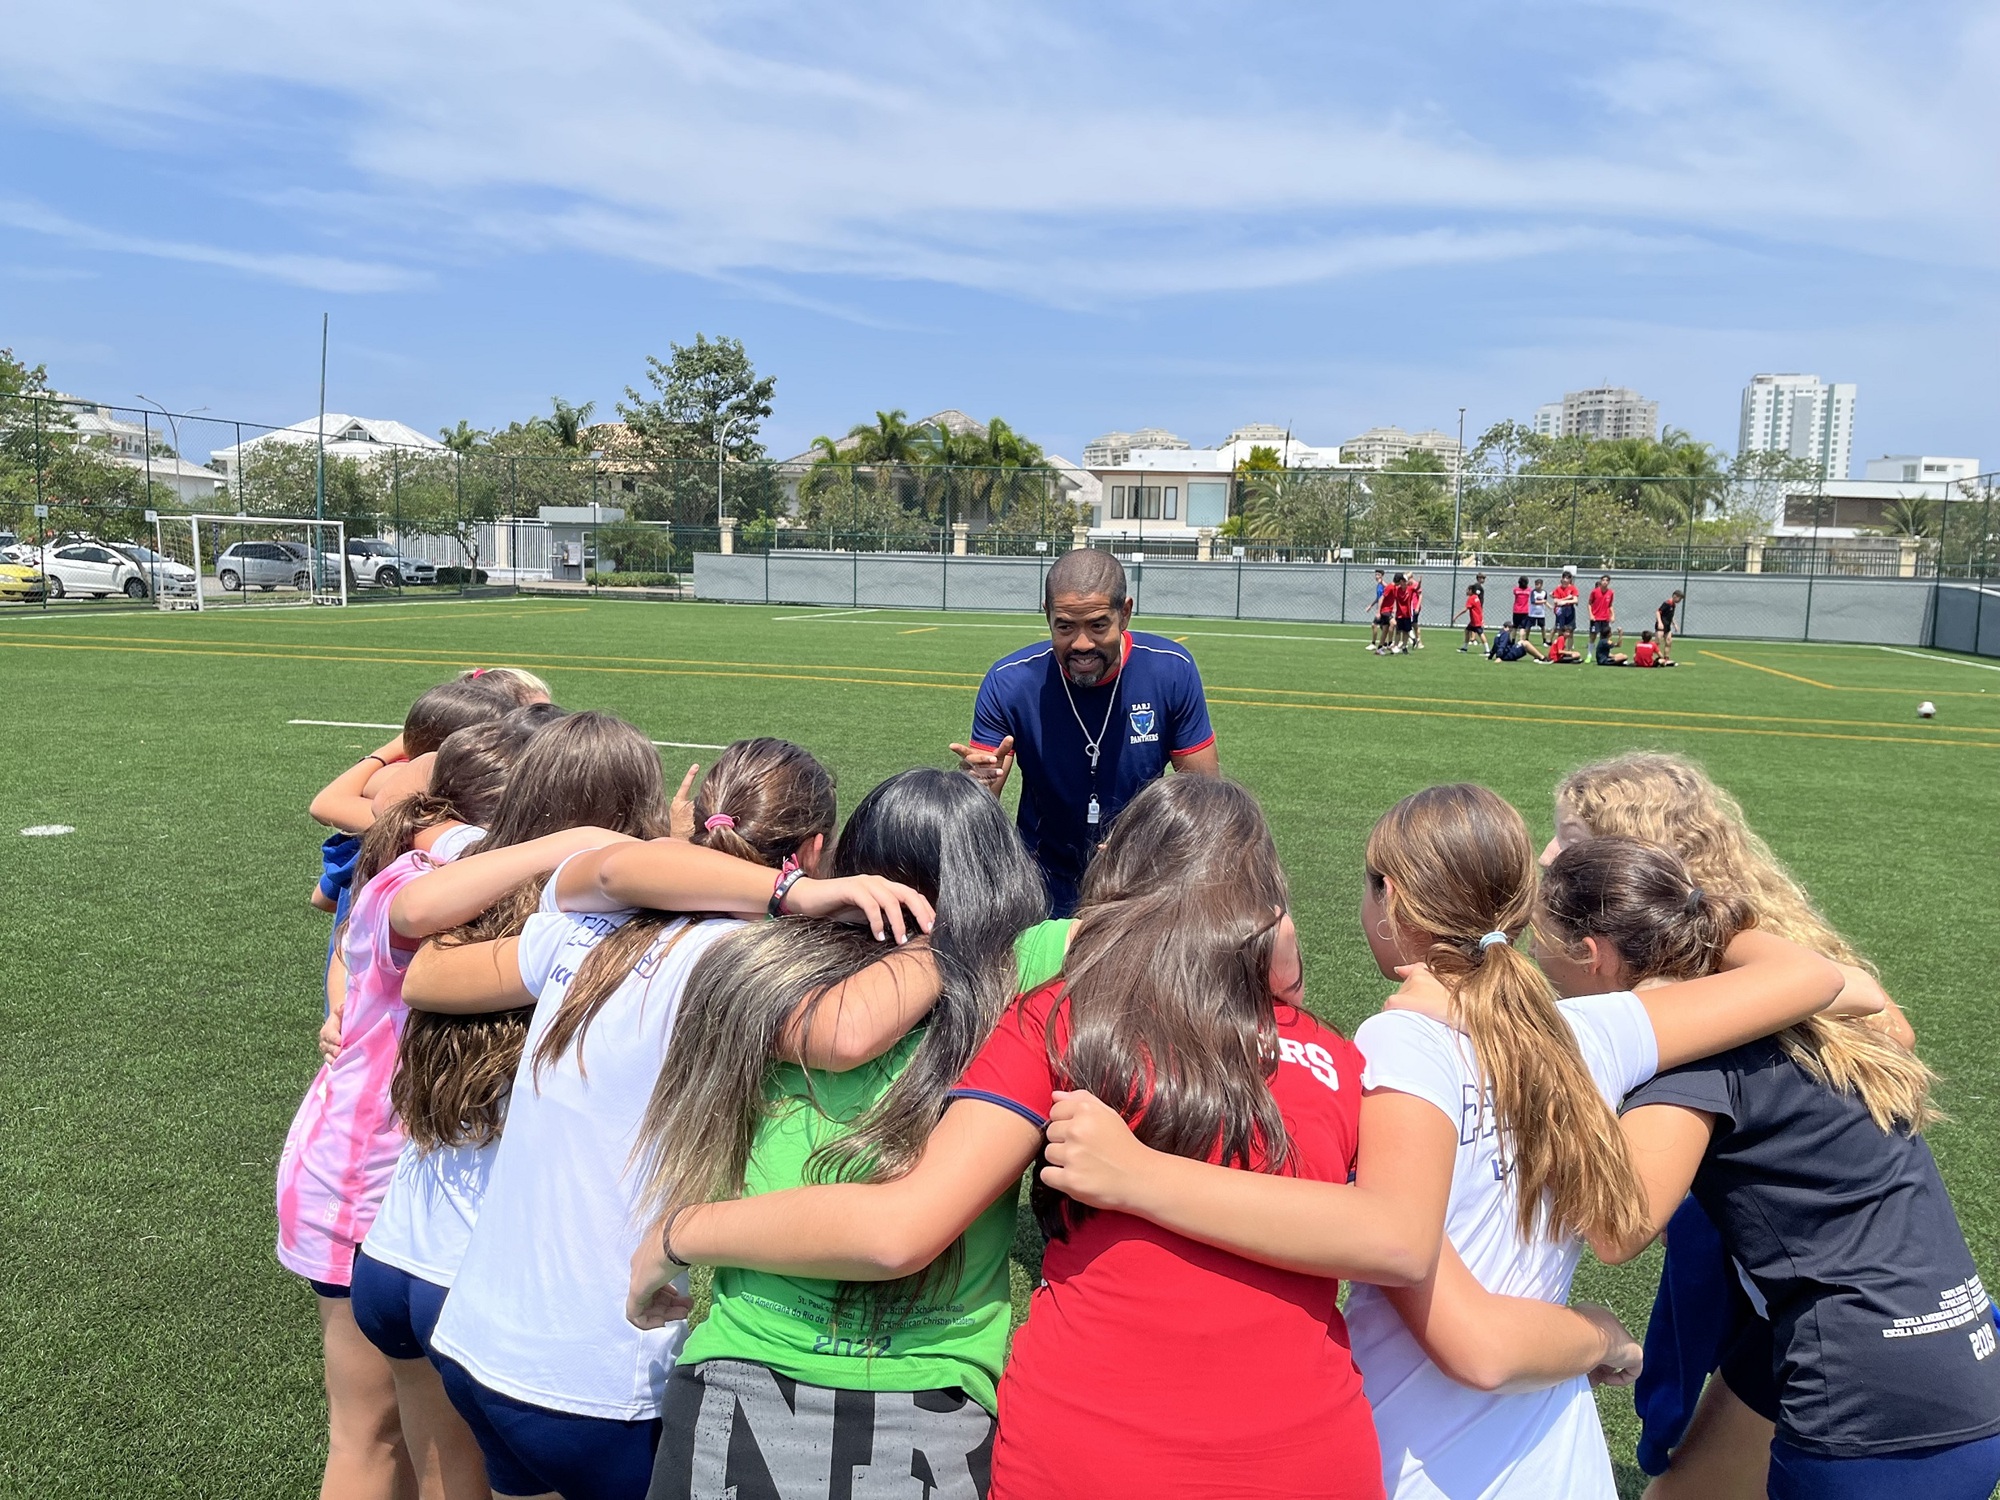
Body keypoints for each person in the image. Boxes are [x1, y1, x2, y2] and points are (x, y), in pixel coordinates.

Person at [1034, 783, 1864, 1500]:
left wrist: (1138, 1173)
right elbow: (1816, 977)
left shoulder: (1394, 1053)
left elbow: (1459, 1326)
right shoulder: (1590, 1031)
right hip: (1559, 1460)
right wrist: (1709, 899)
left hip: (1425, 1459)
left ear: (1390, 901)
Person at [641, 776, 1418, 1499]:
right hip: (1272, 1446)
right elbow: (1393, 1240)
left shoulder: (761, 970)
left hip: (812, 1398)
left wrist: (678, 1236)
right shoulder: (1337, 1059)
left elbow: (895, 1211)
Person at [402, 739, 935, 1500]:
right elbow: (847, 1034)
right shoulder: (742, 970)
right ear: (817, 849)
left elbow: (428, 972)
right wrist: (964, 935)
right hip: (596, 1372)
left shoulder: (588, 926)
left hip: (476, 1338)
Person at [629, 768, 1046, 1500]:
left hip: (740, 1378)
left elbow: (589, 870)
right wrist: (968, 940)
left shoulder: (762, 964)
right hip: (929, 1406)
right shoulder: (1028, 975)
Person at [1554, 838, 2000, 1500]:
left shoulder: (1689, 1063)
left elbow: (1617, 1231)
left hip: (1870, 1411)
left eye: (1537, 937)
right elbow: (1847, 986)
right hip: (1962, 1363)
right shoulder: (1787, 1009)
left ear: (1588, 955)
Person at [277, 712, 535, 1500]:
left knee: (391, 1435)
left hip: (356, 1165)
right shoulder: (430, 885)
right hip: (373, 1183)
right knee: (405, 1441)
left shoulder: (410, 856)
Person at [950, 548, 1218, 915]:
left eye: (1096, 625)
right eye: (1064, 626)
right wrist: (978, 786)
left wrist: (1147, 845)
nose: (1081, 644)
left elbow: (1204, 800)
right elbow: (979, 807)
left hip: (1139, 880)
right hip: (1040, 883)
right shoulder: (1009, 682)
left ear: (1124, 613)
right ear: (1046, 613)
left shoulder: (1171, 670)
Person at [1455, 582, 1487, 652]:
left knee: (1480, 633)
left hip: (1476, 620)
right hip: (1475, 620)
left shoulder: (1471, 598)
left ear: (1471, 590)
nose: (1466, 591)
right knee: (1467, 630)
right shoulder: (1476, 597)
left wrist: (1456, 616)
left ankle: (1487, 650)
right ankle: (1464, 648)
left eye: (1467, 590)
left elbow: (1465, 609)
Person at [1588, 574, 1615, 648]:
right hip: (1595, 618)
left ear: (1609, 582)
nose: (1605, 582)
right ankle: (1589, 655)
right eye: (1603, 580)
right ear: (1601, 581)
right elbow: (1589, 604)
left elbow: (1610, 605)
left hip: (1605, 618)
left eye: (1607, 580)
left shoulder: (1611, 592)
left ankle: (1602, 654)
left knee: (1604, 637)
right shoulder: (1594, 592)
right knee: (1593, 635)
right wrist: (1591, 615)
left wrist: (1612, 615)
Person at [1551, 570, 1580, 638]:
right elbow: (1556, 601)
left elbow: (1575, 600)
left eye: (1567, 578)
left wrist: (1565, 601)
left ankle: (1569, 648)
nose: (1565, 580)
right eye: (1564, 578)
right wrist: (1567, 598)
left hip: (1569, 610)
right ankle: (1559, 646)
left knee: (1570, 630)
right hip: (1560, 610)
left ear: (1570, 580)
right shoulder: (1558, 588)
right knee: (1560, 630)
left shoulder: (1573, 588)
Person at [1655, 591, 1684, 657]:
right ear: (1675, 596)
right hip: (1661, 626)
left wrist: (1674, 624)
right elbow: (1658, 612)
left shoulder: (1673, 605)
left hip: (1667, 626)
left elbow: (1671, 615)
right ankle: (1654, 658)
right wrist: (1659, 622)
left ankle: (1666, 658)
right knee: (1657, 643)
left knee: (1669, 642)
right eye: (1679, 599)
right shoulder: (1667, 603)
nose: (1679, 601)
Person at [1371, 568, 1390, 650]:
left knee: (1374, 625)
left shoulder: (1383, 584)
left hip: (1383, 610)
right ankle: (1385, 643)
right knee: (1383, 627)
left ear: (1382, 576)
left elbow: (1388, 588)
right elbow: (1378, 598)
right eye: (1376, 574)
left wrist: (1382, 582)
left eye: (1378, 575)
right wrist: (1371, 605)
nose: (1376, 576)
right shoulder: (1378, 585)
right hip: (1380, 609)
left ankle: (1373, 643)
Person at [1407, 571, 1425, 649]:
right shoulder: (1408, 585)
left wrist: (1417, 606)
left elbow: (1420, 596)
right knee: (1411, 624)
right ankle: (1413, 640)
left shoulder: (1415, 584)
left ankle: (1418, 641)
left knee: (1414, 624)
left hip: (1414, 607)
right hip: (1409, 607)